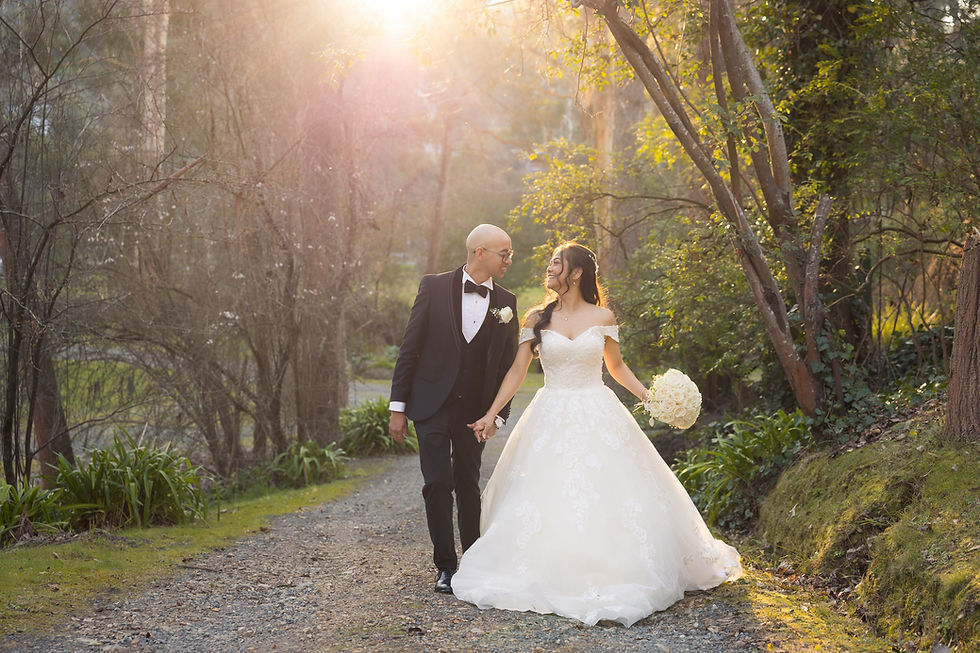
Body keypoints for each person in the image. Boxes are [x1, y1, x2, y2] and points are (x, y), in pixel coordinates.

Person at [452, 242, 742, 626]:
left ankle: (617, 565)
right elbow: (516, 372)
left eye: (557, 262)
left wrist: (649, 398)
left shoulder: (603, 315)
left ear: (575, 273)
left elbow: (616, 366)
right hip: (551, 411)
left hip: (597, 409)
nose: (550, 267)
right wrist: (491, 414)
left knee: (611, 489)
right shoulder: (536, 318)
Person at [388, 224, 520, 594]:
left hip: (475, 412)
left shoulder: (507, 303)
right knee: (437, 484)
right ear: (479, 252)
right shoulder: (433, 286)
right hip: (430, 404)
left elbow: (510, 366)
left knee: (467, 483)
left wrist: (496, 414)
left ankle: (474, 563)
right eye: (504, 253)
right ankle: (445, 566)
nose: (509, 259)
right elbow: (409, 349)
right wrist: (398, 408)